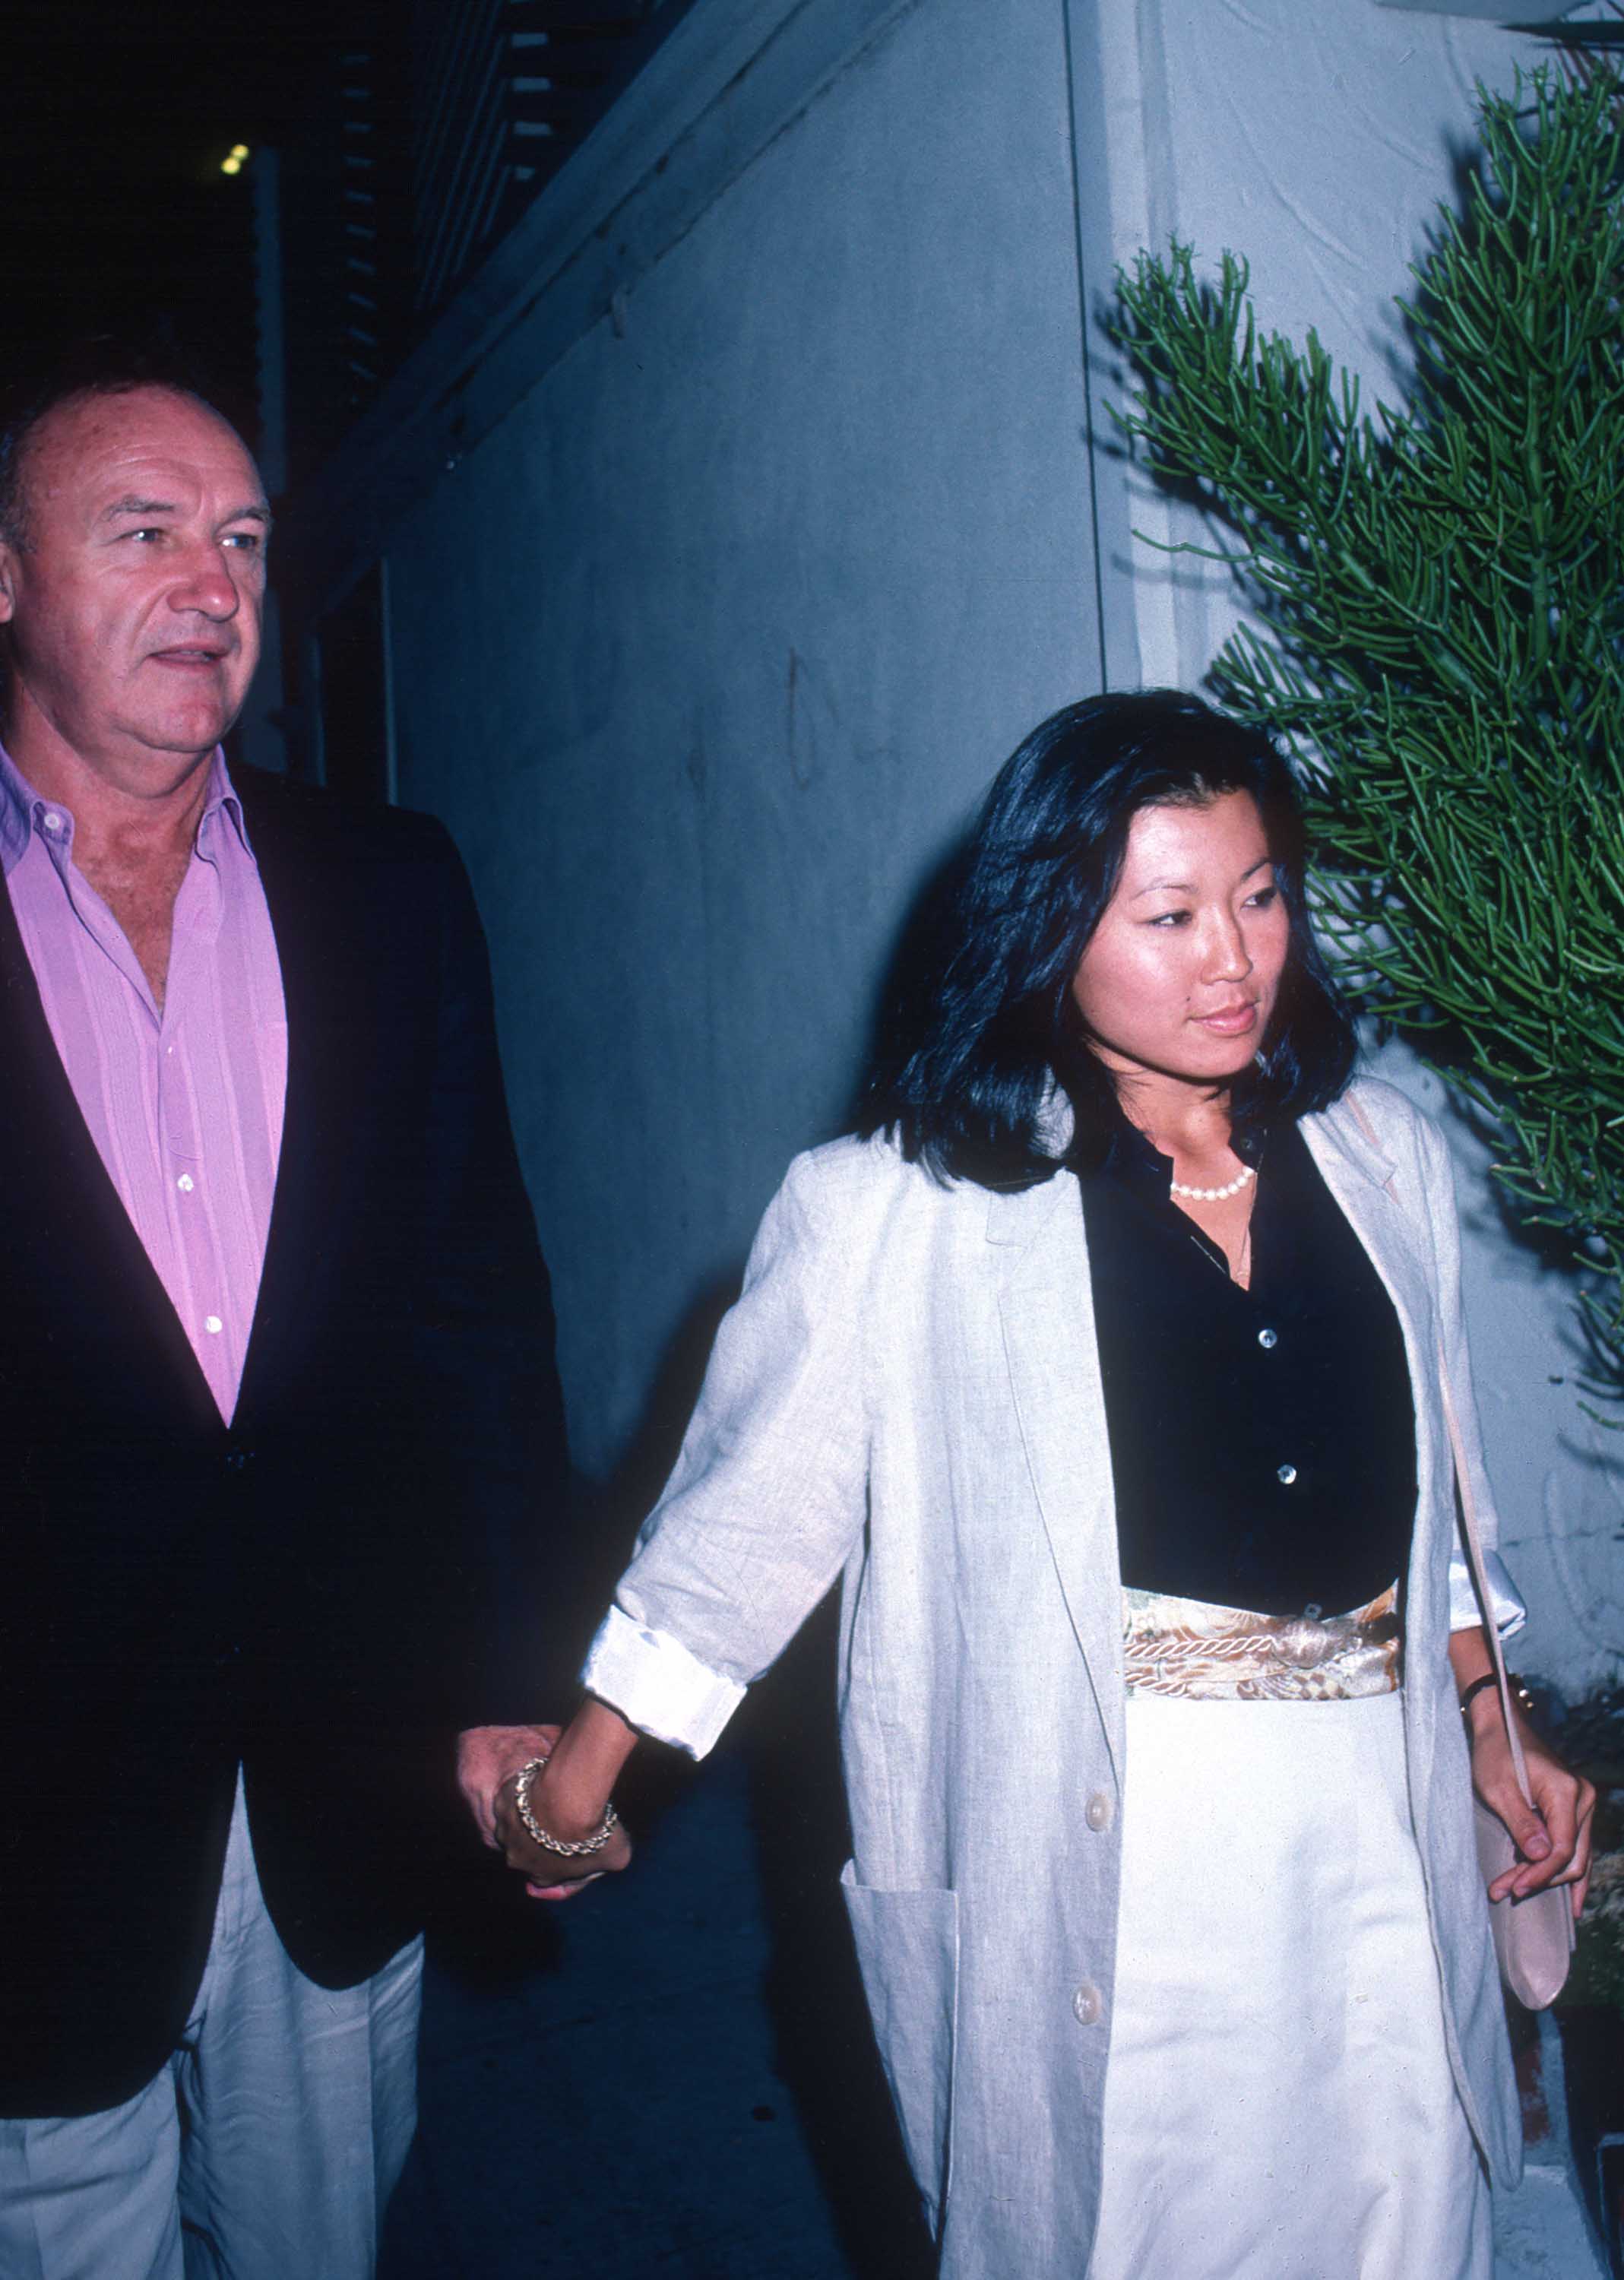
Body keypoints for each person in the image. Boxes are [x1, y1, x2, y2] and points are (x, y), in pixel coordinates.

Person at [490, 692, 1594, 2279]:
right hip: (1118, 1863)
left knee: (1399, 2228)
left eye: (1260, 893)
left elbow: (1444, 1521)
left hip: (1371, 1840)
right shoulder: (898, 1211)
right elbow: (739, 1536)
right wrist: (571, 1792)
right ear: (1045, 928)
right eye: (1167, 915)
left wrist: (1494, 1724)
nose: (1232, 959)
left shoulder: (1380, 1157)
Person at [0, 362, 587, 2278]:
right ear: (7, 579)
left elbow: (479, 1307)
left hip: (340, 1773)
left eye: (244, 538)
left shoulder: (390, 888)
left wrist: (515, 1672)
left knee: (319, 2236)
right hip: (32, 1804)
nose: (212, 582)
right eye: (144, 530)